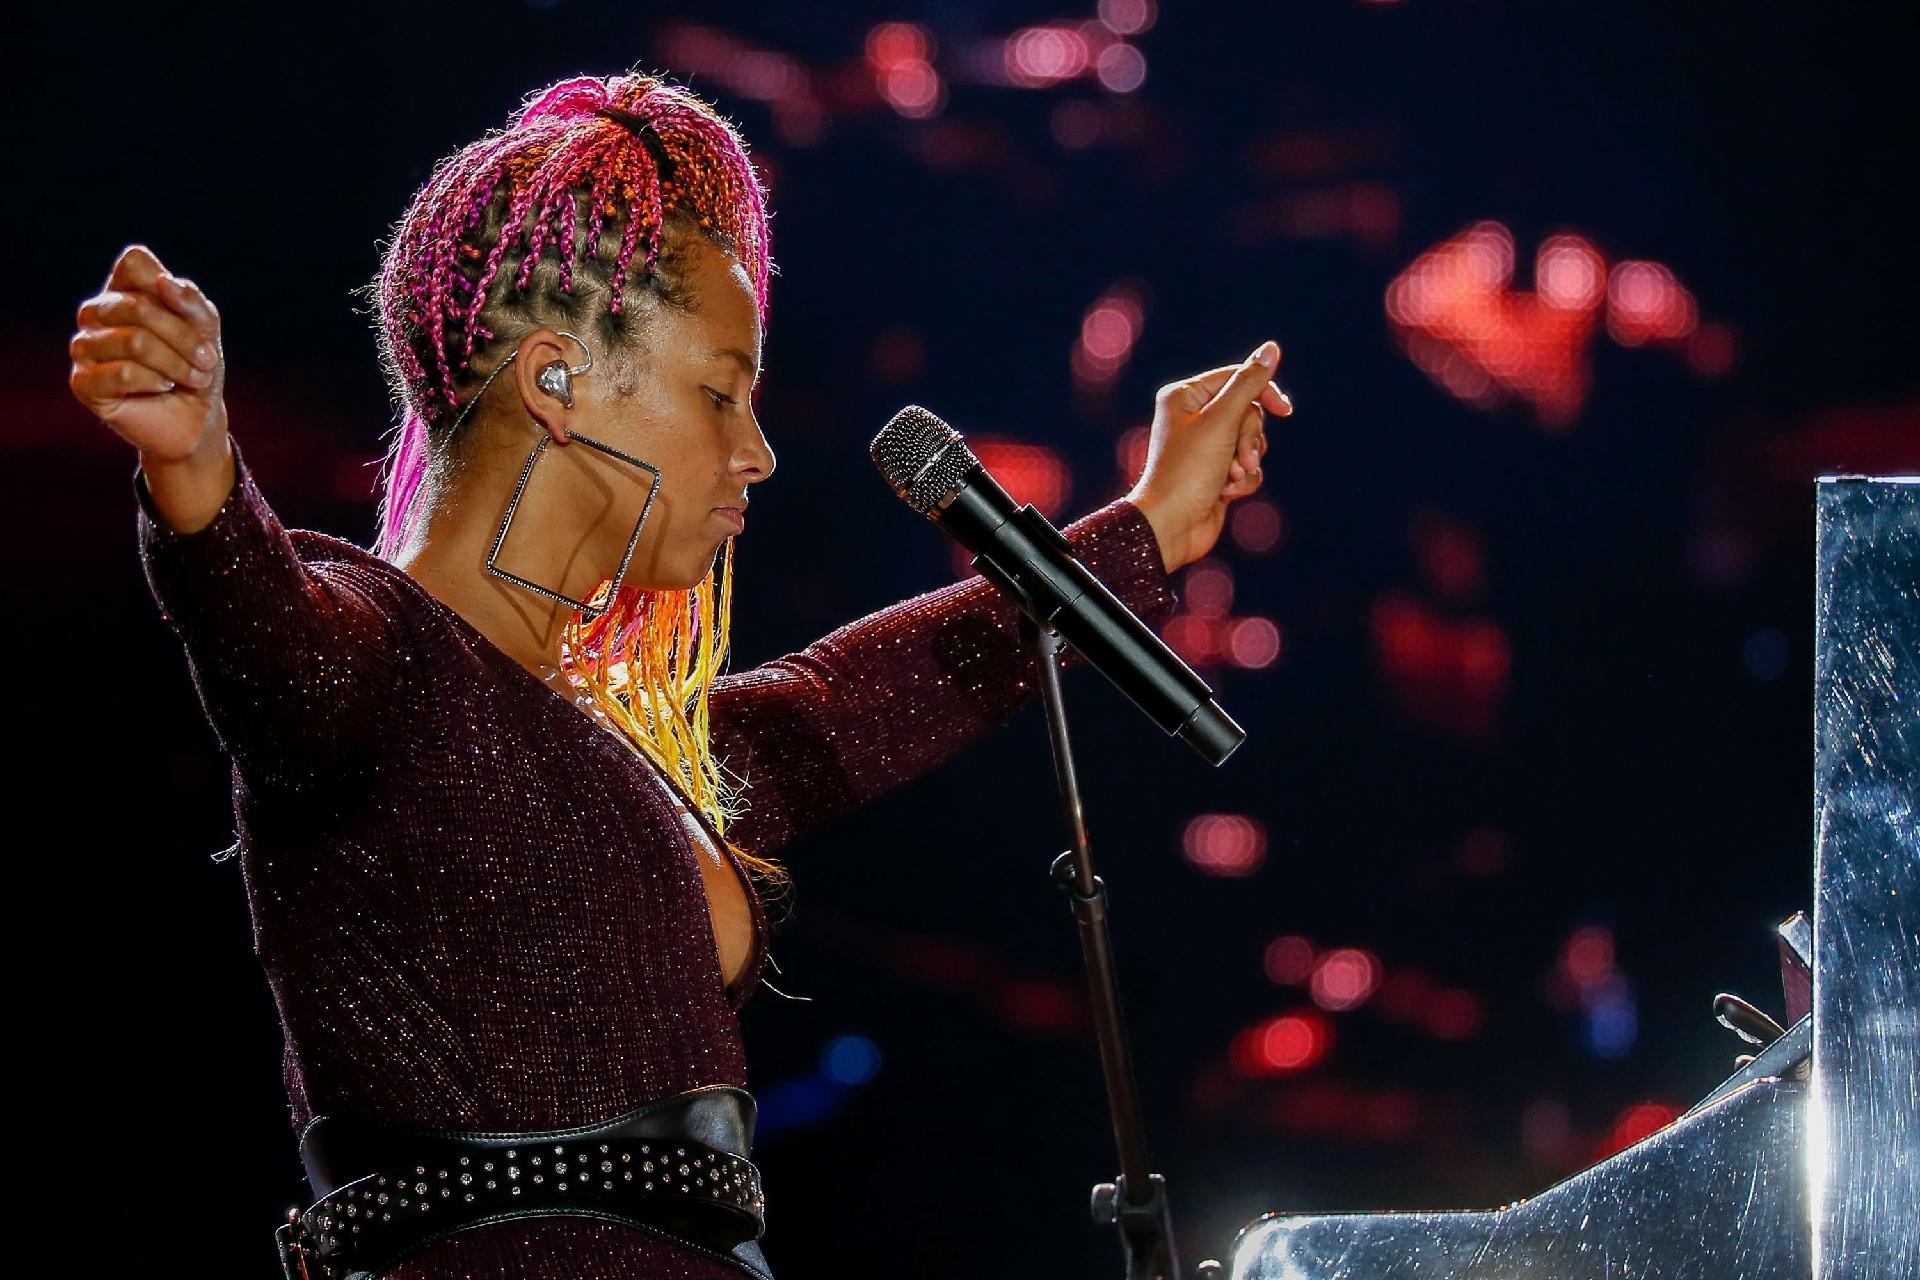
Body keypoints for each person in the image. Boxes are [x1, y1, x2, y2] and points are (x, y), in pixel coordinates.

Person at [69, 71, 1290, 1280]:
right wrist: (200, 477)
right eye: (719, 388)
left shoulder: (625, 761)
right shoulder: (384, 668)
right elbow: (267, 637)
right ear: (556, 379)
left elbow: (846, 703)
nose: (756, 450)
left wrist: (1144, 528)